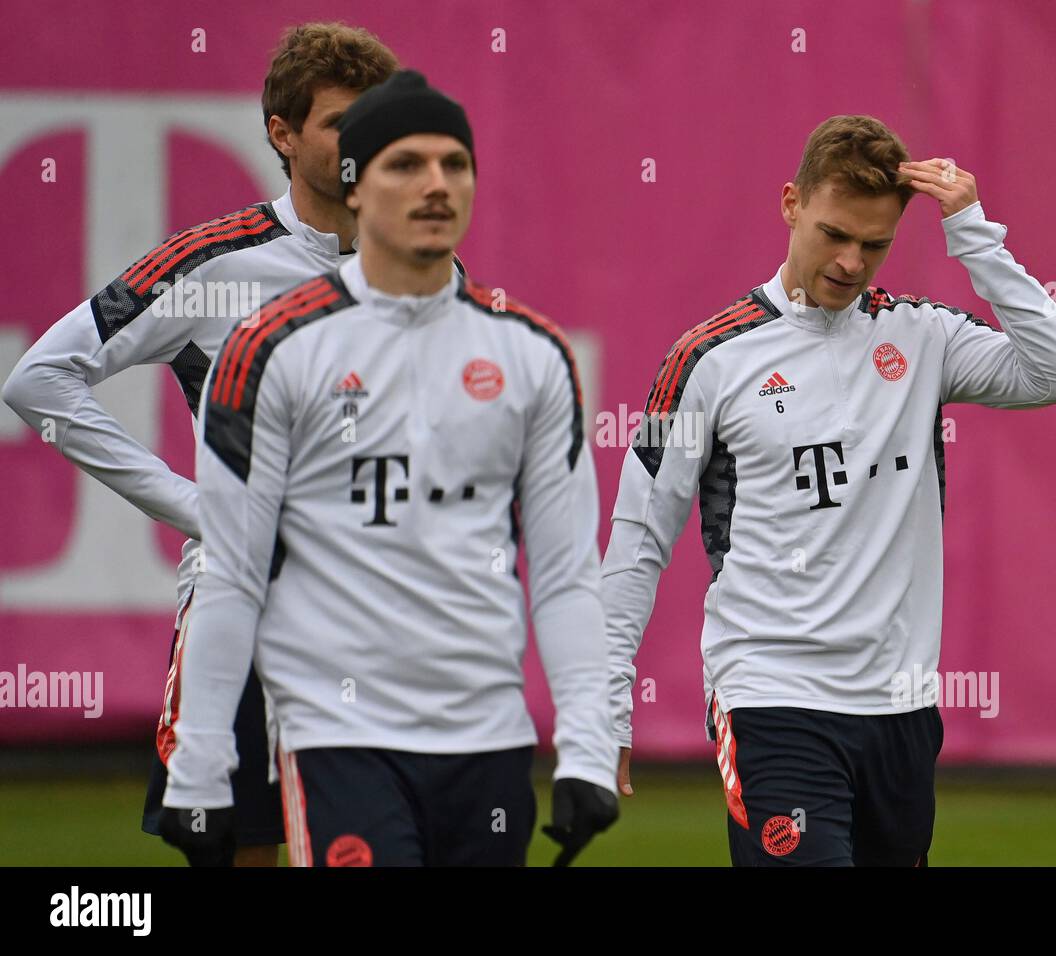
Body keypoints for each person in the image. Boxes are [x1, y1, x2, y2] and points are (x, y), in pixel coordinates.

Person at [602, 115, 1056, 866]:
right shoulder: (707, 359)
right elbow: (637, 542)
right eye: (835, 233)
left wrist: (972, 232)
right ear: (791, 203)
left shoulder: (923, 338)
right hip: (772, 698)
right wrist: (603, 707)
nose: (850, 261)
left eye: (875, 244)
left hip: (900, 708)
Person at [160, 70, 618, 867]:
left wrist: (586, 744)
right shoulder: (270, 348)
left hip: (490, 741)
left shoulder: (535, 355)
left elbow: (566, 574)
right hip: (339, 736)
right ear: (357, 186)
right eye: (405, 164)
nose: (436, 184)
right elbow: (233, 575)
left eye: (455, 163)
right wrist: (200, 767)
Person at [1, 22, 402, 866]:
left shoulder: (424, 269)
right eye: (339, 122)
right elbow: (38, 379)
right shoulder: (216, 263)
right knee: (242, 852)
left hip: (382, 622)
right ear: (283, 135)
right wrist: (197, 510)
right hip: (247, 613)